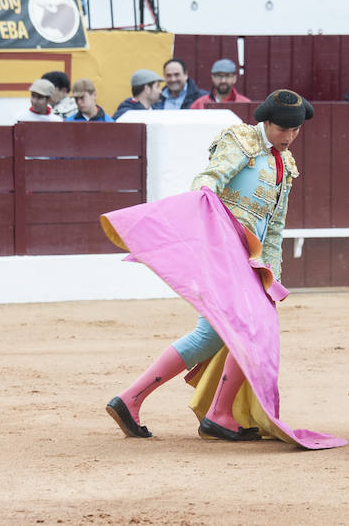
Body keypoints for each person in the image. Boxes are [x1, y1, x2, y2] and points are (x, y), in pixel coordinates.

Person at [105, 89, 314, 441]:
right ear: (266, 122)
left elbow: (274, 224)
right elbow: (207, 181)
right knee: (247, 332)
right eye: (284, 129)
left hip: (253, 262)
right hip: (224, 253)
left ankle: (132, 399)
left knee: (213, 336)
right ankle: (217, 413)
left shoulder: (285, 163)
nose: (290, 136)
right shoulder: (241, 141)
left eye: (296, 131)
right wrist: (215, 229)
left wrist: (271, 272)